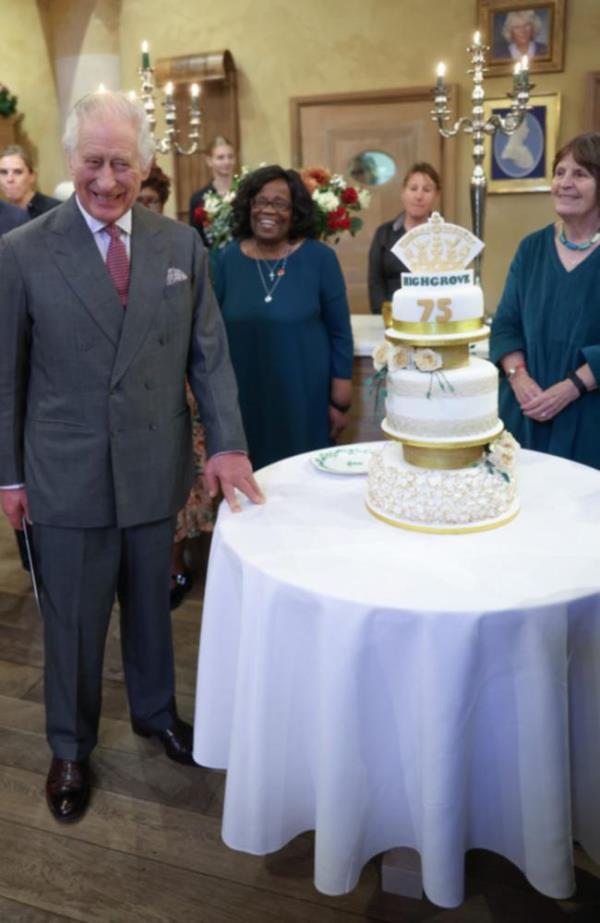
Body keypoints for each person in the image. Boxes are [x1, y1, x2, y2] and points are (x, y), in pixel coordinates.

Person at [0, 90, 262, 825]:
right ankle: (70, 747)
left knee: (153, 607)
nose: (108, 180)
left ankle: (155, 711)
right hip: (63, 473)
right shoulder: (21, 252)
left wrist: (230, 444)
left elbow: (209, 356)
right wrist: (9, 475)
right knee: (73, 623)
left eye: (121, 163)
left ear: (144, 164)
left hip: (155, 465)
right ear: (68, 162)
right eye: (92, 162)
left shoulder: (180, 247)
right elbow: (5, 376)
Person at [213, 164, 353, 471]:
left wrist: (340, 401)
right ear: (248, 205)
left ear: (296, 211)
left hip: (304, 398)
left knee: (304, 481)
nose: (268, 210)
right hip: (244, 399)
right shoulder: (227, 260)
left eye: (280, 204)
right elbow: (212, 332)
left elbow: (340, 331)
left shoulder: (320, 259)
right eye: (260, 201)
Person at [490, 132, 600, 469]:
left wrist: (571, 388)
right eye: (560, 172)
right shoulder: (531, 248)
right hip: (526, 410)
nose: (565, 183)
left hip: (590, 416)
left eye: (580, 174)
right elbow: (506, 323)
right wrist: (518, 377)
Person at [137, 164, 215, 608]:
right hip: (141, 386)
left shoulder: (183, 242)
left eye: (152, 200)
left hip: (182, 383)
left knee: (185, 484)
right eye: (140, 200)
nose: (146, 207)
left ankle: (177, 564)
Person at [367, 162, 441, 314]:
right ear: (403, 192)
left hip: (434, 317)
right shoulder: (384, 234)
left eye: (427, 190)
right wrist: (384, 314)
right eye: (413, 189)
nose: (419, 196)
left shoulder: (446, 236)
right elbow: (375, 281)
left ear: (436, 195)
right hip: (392, 317)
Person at [189, 135, 236, 245]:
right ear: (209, 161)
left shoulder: (244, 191)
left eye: (230, 157)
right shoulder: (198, 198)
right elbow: (197, 236)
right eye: (221, 157)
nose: (227, 161)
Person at [0, 143, 60, 218]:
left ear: (32, 176)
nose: (10, 179)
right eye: (3, 172)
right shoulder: (3, 213)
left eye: (18, 172)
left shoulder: (54, 210)